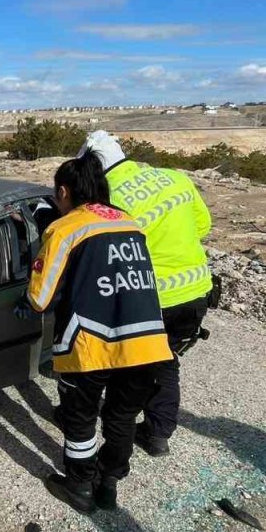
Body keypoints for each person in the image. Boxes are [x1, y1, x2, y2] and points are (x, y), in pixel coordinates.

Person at [22, 153, 173, 513]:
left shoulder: (66, 227)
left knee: (81, 419)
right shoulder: (130, 223)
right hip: (147, 342)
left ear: (63, 191)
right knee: (121, 418)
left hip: (89, 343)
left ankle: (79, 486)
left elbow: (39, 299)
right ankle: (108, 483)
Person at [78, 130, 212, 457]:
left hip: (150, 299)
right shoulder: (175, 178)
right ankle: (157, 433)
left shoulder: (108, 199)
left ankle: (110, 426)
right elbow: (203, 226)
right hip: (196, 292)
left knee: (129, 365)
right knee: (166, 362)